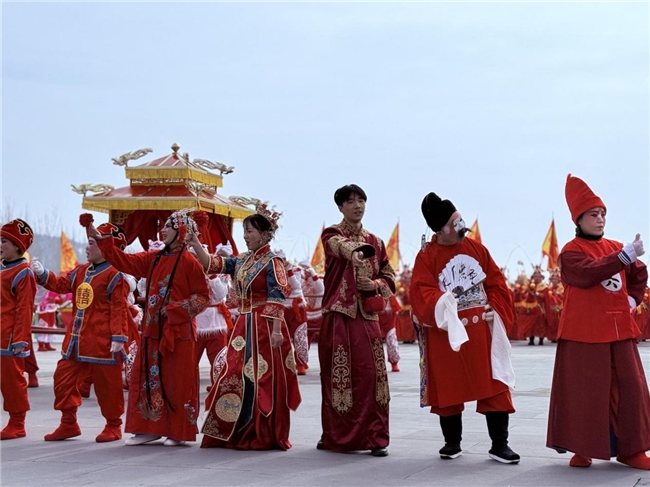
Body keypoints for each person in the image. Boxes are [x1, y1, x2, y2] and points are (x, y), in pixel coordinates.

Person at [546, 174, 650, 470]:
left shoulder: (615, 246)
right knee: (585, 392)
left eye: (603, 214)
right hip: (583, 333)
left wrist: (632, 299)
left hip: (619, 331)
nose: (600, 219)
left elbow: (639, 273)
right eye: (593, 214)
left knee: (631, 389)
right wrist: (623, 257)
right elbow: (588, 273)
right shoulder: (571, 251)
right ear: (578, 220)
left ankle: (632, 449)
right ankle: (583, 448)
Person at [410, 192, 520, 464]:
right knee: (448, 385)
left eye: (460, 220)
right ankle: (452, 442)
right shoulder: (427, 256)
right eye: (453, 224)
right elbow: (421, 291)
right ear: (439, 230)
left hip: (482, 328)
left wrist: (495, 308)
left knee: (494, 384)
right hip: (447, 331)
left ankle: (500, 444)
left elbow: (497, 284)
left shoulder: (477, 249)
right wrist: (443, 304)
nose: (461, 227)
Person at [87, 209, 210, 447]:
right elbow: (125, 261)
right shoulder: (154, 258)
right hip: (153, 330)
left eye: (168, 226)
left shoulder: (190, 262)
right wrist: (103, 241)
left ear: (182, 230)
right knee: (146, 379)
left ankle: (177, 431)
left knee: (176, 381)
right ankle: (148, 428)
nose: (163, 229)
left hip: (178, 333)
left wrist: (174, 310)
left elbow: (202, 296)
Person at [188, 203, 301, 451]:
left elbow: (277, 297)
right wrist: (195, 243)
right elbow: (213, 264)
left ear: (264, 234)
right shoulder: (242, 260)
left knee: (261, 376)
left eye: (249, 231)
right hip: (243, 324)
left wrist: (276, 331)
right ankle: (233, 428)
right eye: (245, 231)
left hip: (264, 326)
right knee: (233, 373)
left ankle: (260, 431)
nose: (245, 236)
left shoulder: (273, 262)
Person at [30, 220, 131, 442]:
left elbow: (119, 309)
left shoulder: (116, 275)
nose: (86, 247)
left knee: (108, 387)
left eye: (92, 243)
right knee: (62, 378)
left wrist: (118, 337)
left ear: (107, 247)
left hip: (102, 342)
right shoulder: (81, 271)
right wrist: (44, 274)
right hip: (76, 340)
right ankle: (68, 423)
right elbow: (61, 285)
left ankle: (113, 425)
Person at [317, 184, 395, 457]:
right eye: (350, 201)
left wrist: (373, 285)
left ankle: (376, 437)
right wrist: (357, 252)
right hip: (339, 315)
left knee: (373, 376)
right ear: (340, 207)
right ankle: (336, 434)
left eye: (361, 200)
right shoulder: (331, 234)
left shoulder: (378, 242)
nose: (357, 205)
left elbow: (389, 278)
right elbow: (340, 247)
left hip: (368, 317)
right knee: (338, 377)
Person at [0, 219, 36, 440]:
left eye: (4, 241)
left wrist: (21, 339)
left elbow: (24, 309)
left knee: (12, 382)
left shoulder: (23, 273)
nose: (0, 245)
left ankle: (17, 423)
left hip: (9, 337)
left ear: (17, 246)